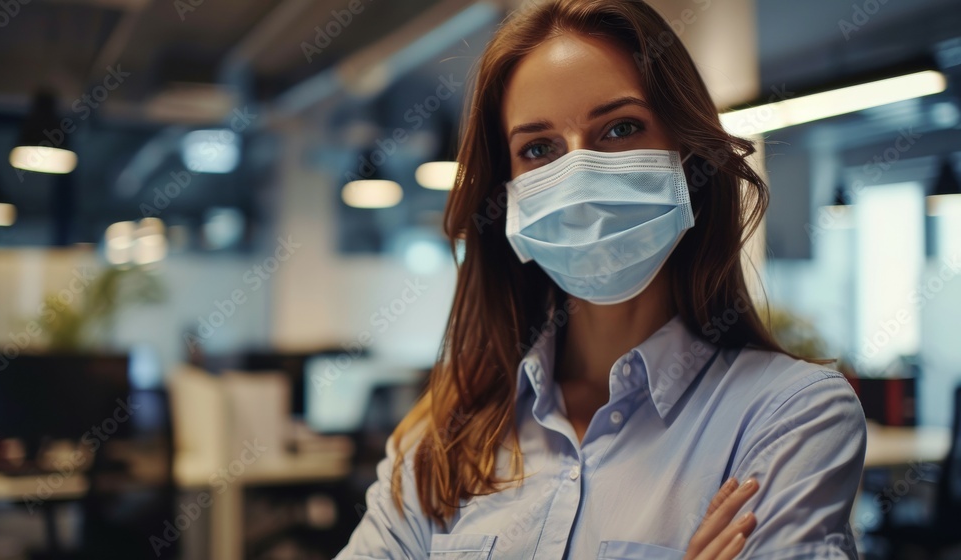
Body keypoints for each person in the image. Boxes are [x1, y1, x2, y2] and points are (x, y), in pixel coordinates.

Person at [335, 0, 866, 558]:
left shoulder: (790, 418)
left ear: (689, 159)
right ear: (506, 194)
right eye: (538, 148)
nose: (578, 177)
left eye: (619, 128)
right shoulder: (440, 441)